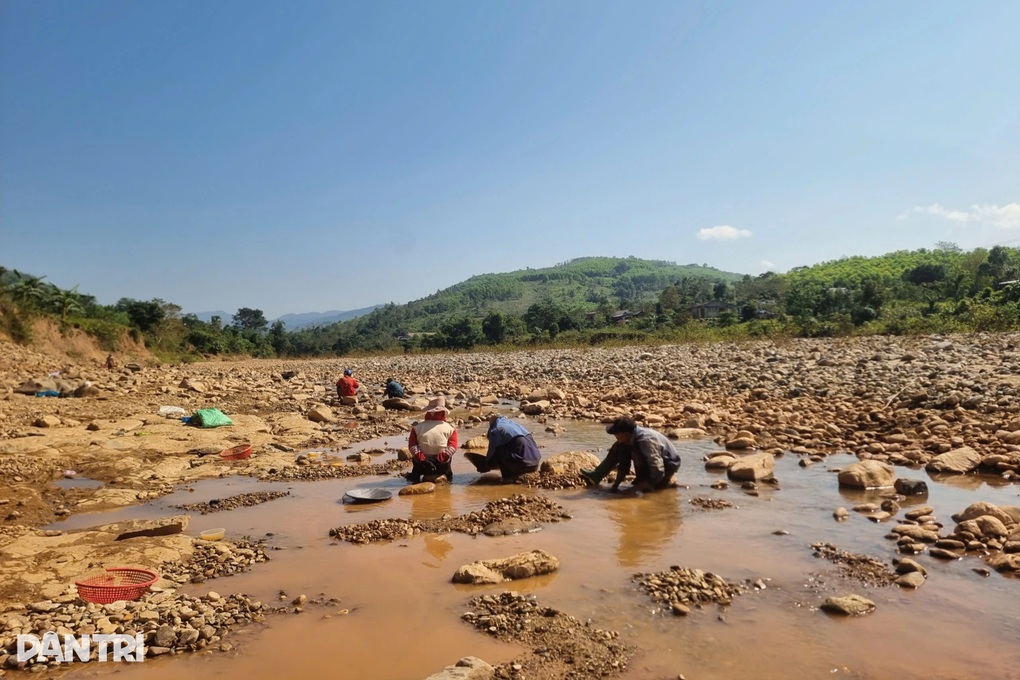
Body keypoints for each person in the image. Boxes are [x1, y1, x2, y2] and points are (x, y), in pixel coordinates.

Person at [581, 417, 681, 492]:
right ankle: (597, 476)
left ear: (625, 434)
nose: (614, 436)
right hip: (651, 462)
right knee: (618, 446)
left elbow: (658, 470)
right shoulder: (628, 438)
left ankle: (652, 483)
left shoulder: (646, 441)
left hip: (668, 464)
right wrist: (615, 485)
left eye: (616, 433)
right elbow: (624, 463)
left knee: (647, 490)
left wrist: (636, 488)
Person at [465, 414, 542, 482]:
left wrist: (486, 465)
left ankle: (507, 478)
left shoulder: (496, 429)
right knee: (507, 448)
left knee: (499, 450)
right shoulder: (516, 426)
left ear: (491, 424)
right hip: (535, 463)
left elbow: (493, 450)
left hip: (523, 465)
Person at [407, 396, 459, 483]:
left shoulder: (416, 428)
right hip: (441, 466)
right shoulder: (451, 429)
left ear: (428, 412)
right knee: (449, 468)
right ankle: (449, 479)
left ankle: (415, 479)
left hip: (422, 466)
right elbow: (453, 447)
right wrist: (438, 460)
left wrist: (423, 460)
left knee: (415, 472)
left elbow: (412, 446)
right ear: (443, 412)